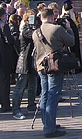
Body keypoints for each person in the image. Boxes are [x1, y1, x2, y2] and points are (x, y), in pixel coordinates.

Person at [33, 8, 75, 138]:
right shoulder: (56, 29)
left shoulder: (36, 32)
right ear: (52, 17)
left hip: (41, 65)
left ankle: (47, 123)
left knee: (44, 95)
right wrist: (68, 28)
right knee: (53, 95)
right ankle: (49, 129)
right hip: (54, 65)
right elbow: (71, 42)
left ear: (41, 18)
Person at [11, 9, 39, 120]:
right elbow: (32, 35)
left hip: (32, 60)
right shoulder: (25, 30)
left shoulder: (33, 28)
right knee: (20, 86)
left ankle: (31, 105)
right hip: (24, 61)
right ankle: (16, 109)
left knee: (33, 85)